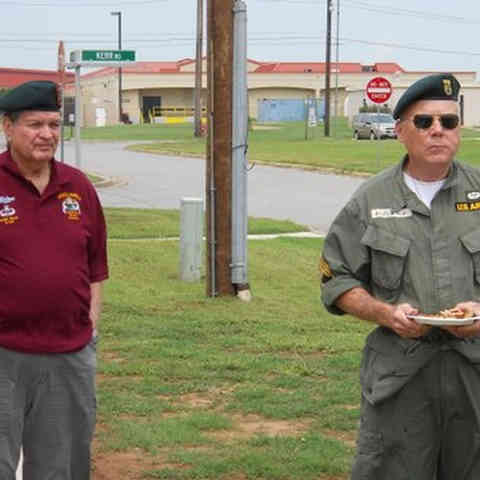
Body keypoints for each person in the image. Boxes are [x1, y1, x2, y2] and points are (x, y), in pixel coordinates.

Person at [320, 73, 480, 479]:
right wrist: (384, 313)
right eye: (425, 122)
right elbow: (337, 277)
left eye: (449, 121)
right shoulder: (370, 200)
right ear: (401, 132)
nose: (438, 131)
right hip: (401, 375)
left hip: (474, 373)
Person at [0, 80, 108, 479]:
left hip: (68, 355)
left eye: (53, 124)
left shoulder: (77, 187)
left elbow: (96, 265)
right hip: (4, 354)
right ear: (8, 127)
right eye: (34, 124)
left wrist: (90, 325)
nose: (46, 134)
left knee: (60, 466)